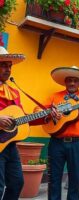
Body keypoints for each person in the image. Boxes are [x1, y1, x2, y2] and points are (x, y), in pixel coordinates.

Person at [34, 66, 79, 200]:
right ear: (65, 82)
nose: (72, 83)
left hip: (77, 143)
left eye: (75, 80)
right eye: (69, 80)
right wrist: (50, 113)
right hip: (56, 142)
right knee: (54, 179)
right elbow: (37, 109)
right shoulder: (55, 96)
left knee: (75, 179)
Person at [0, 46, 26, 199]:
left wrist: (45, 116)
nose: (8, 69)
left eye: (9, 66)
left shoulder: (14, 92)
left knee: (17, 183)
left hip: (9, 145)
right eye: (3, 65)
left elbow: (21, 119)